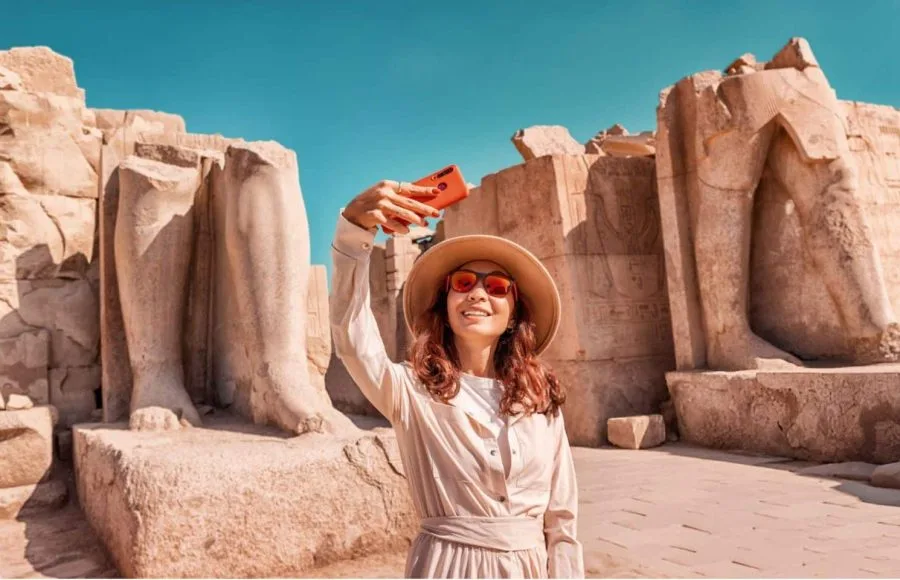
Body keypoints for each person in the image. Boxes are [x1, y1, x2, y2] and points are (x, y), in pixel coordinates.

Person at [330, 178, 584, 579]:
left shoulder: (539, 398)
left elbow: (562, 520)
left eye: (497, 287)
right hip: (449, 567)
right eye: (463, 283)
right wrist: (354, 232)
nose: (479, 294)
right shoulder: (411, 391)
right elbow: (352, 339)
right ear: (444, 304)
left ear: (514, 313)